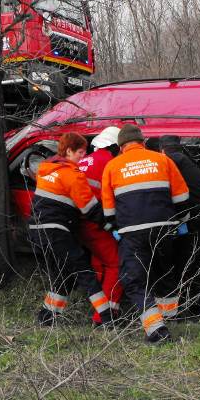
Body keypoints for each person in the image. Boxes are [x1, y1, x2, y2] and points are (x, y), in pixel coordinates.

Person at [101, 124, 190, 344]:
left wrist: (114, 229)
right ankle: (170, 318)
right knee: (164, 273)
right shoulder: (163, 160)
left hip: (132, 233)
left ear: (121, 147)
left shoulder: (112, 167)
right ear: (142, 142)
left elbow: (108, 211)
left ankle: (157, 330)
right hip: (164, 228)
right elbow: (182, 198)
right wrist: (180, 223)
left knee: (135, 281)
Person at [29, 132, 113, 327]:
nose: (83, 157)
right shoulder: (73, 175)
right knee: (85, 272)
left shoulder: (46, 169)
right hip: (56, 230)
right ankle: (108, 319)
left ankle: (46, 317)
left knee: (63, 276)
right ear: (69, 151)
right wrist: (111, 226)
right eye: (81, 152)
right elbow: (90, 209)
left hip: (36, 229)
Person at [157, 135, 200, 319]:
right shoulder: (183, 159)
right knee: (192, 262)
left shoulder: (173, 161)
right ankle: (196, 306)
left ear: (162, 150)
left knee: (188, 264)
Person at [76, 126, 123, 323]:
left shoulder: (83, 161)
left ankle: (97, 305)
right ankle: (106, 315)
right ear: (114, 146)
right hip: (94, 222)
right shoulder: (110, 162)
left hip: (77, 221)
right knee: (117, 264)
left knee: (99, 261)